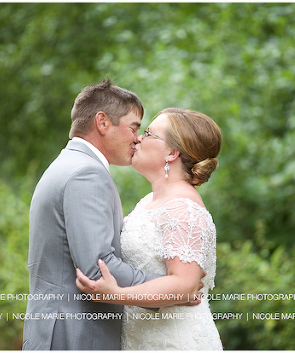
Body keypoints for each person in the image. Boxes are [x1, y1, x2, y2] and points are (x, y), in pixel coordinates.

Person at [23, 81, 201, 350]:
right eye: (134, 127)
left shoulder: (67, 165)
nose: (137, 138)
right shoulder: (86, 174)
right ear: (103, 122)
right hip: (76, 336)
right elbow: (98, 269)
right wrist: (175, 289)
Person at [75, 107, 224, 350]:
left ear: (172, 153)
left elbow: (185, 286)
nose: (137, 139)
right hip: (140, 339)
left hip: (175, 341)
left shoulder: (183, 208)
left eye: (148, 133)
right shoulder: (148, 202)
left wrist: (116, 295)